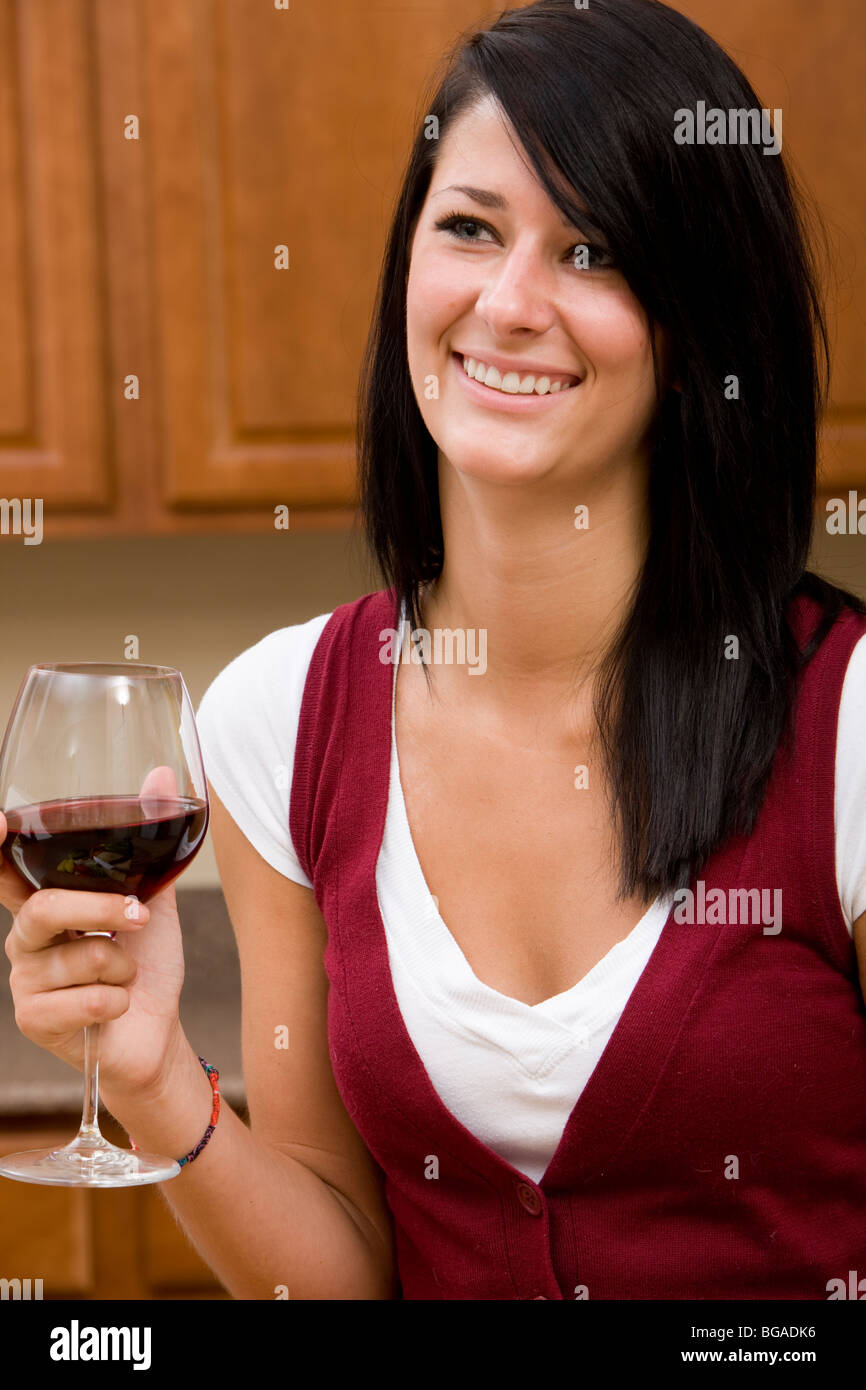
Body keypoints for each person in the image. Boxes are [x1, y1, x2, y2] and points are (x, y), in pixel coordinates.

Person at [3, 0, 866, 1300]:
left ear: (693, 334)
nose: (508, 301)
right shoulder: (273, 723)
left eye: (593, 249)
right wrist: (150, 1076)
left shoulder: (846, 725)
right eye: (467, 227)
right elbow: (340, 1273)